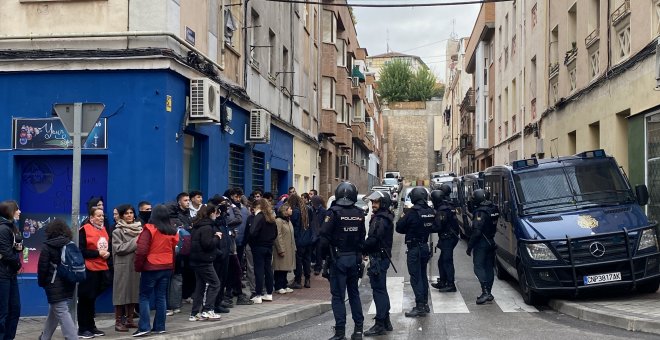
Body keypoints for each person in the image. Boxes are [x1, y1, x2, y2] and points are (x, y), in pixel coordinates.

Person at [319, 182, 366, 340]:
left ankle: (340, 333)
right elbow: (361, 239)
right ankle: (358, 330)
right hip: (354, 259)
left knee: (338, 297)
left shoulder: (333, 213)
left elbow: (323, 237)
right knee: (354, 294)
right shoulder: (360, 213)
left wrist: (322, 257)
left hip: (338, 259)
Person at [133, 205, 180, 337]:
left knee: (144, 297)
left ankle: (144, 327)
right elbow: (173, 248)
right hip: (167, 266)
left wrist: (138, 266)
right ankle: (159, 326)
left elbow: (141, 251)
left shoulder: (149, 229)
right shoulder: (172, 230)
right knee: (161, 297)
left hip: (151, 266)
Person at [396, 187, 435, 318]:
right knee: (423, 276)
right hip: (424, 246)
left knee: (415, 277)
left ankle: (419, 306)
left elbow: (399, 227)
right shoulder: (430, 211)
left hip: (414, 248)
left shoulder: (412, 213)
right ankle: (425, 304)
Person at [37, 219, 77, 340]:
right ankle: (45, 337)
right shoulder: (70, 244)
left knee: (61, 310)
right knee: (55, 310)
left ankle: (73, 337)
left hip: (53, 283)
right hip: (69, 281)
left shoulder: (47, 246)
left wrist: (42, 282)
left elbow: (42, 267)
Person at [362, 191, 395, 336]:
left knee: (378, 291)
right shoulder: (385, 217)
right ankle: (386, 321)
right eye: (372, 202)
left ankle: (380, 324)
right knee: (381, 289)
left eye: (376, 202)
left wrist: (361, 248)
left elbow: (374, 238)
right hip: (382, 257)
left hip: (379, 258)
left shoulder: (380, 219)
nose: (373, 205)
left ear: (383, 203)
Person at [78, 206, 112, 338]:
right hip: (89, 268)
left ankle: (91, 326)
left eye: (102, 215)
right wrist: (98, 253)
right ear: (91, 218)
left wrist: (107, 253)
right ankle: (82, 328)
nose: (101, 218)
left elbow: (106, 246)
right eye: (98, 216)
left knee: (92, 299)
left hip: (101, 268)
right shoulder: (84, 230)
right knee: (85, 299)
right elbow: (81, 251)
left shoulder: (104, 229)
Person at [188, 203, 223, 321]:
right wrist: (217, 237)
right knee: (215, 284)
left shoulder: (197, 225)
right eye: (215, 212)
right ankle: (208, 310)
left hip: (196, 260)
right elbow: (207, 245)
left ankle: (194, 313)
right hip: (204, 261)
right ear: (211, 213)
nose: (216, 215)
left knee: (200, 286)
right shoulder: (207, 227)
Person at [111, 204, 142, 332]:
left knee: (133, 292)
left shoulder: (140, 229)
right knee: (121, 294)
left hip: (135, 265)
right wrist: (136, 241)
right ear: (122, 216)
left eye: (131, 213)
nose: (130, 215)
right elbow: (119, 248)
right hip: (122, 266)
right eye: (127, 213)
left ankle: (130, 320)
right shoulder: (117, 231)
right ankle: (118, 321)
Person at [465, 189, 499, 305]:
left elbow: (477, 232)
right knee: (489, 267)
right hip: (491, 240)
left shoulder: (480, 212)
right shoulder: (493, 209)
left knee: (478, 267)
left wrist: (470, 247)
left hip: (482, 243)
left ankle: (485, 292)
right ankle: (489, 292)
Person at [430, 185, 460, 293]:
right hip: (450, 237)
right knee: (441, 261)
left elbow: (438, 226)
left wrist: (428, 226)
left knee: (447, 261)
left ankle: (451, 284)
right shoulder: (448, 206)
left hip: (448, 237)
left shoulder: (442, 210)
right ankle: (443, 281)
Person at [247, 199, 277, 304]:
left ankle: (258, 294)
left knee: (259, 270)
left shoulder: (258, 217)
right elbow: (275, 233)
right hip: (269, 247)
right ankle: (269, 293)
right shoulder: (271, 218)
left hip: (258, 246)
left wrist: (252, 243)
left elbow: (252, 232)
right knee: (268, 270)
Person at [0, 201, 22, 340]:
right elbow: (6, 253)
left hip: (10, 273)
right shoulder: (3, 229)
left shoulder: (12, 227)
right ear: (9, 211)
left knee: (15, 309)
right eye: (17, 209)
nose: (19, 212)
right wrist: (18, 264)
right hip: (2, 274)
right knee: (3, 311)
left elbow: (11, 250)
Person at [289, 194, 314, 289]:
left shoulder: (295, 211)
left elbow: (294, 226)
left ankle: (298, 280)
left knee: (298, 261)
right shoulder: (308, 209)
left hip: (299, 239)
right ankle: (307, 280)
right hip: (308, 238)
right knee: (307, 260)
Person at [273, 204, 296, 294]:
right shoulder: (278, 221)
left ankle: (284, 284)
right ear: (285, 210)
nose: (291, 210)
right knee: (280, 268)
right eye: (290, 209)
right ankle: (278, 286)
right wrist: (280, 249)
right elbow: (278, 235)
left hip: (289, 248)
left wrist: (294, 247)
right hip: (282, 248)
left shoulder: (288, 220)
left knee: (285, 268)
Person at [310, 195, 326, 276]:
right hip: (312, 234)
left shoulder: (323, 211)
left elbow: (325, 222)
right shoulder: (310, 209)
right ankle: (309, 266)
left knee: (319, 252)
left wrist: (321, 230)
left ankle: (318, 267)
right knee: (310, 251)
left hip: (320, 235)